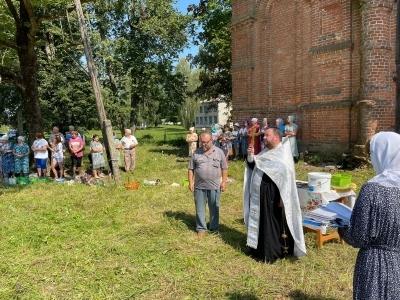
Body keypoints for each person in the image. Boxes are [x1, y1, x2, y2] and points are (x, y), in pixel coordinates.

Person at [338, 132, 400, 300]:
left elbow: (358, 236)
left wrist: (341, 227)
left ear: (382, 153)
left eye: (371, 154)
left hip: (376, 266)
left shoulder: (373, 189)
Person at [244, 127, 306, 263]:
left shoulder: (282, 154)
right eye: (264, 135)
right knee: (261, 221)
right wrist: (251, 157)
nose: (263, 137)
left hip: (273, 196)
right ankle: (257, 249)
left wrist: (283, 198)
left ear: (276, 137)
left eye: (267, 135)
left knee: (270, 223)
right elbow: (255, 166)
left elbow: (286, 178)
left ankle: (270, 253)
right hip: (260, 195)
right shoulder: (266, 152)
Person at [188, 131, 228, 237]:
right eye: (202, 142)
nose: (204, 144)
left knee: (214, 208)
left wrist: (223, 182)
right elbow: (191, 169)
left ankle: (214, 228)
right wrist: (191, 182)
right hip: (199, 186)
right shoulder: (196, 153)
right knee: (200, 208)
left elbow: (224, 168)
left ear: (212, 140)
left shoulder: (219, 152)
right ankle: (201, 228)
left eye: (206, 142)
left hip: (215, 186)